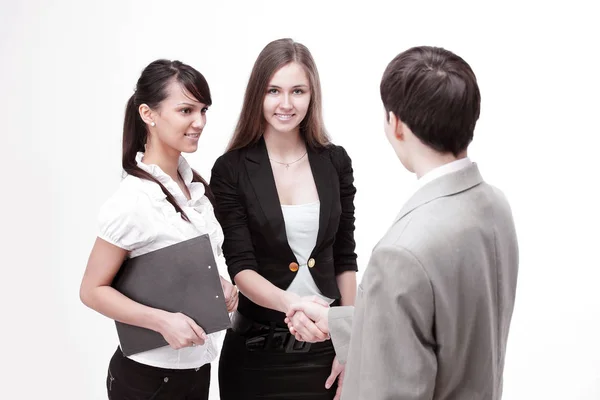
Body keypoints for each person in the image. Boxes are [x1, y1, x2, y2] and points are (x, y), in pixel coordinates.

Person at [286, 46, 519, 400]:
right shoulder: (494, 205)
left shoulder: (401, 254)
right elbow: (447, 326)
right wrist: (338, 322)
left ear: (395, 123)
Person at [79, 59, 238, 400]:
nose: (200, 122)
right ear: (148, 114)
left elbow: (176, 268)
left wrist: (220, 286)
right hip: (148, 380)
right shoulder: (133, 200)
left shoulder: (195, 187)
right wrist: (161, 321)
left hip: (196, 371)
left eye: (203, 110)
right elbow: (91, 290)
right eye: (186, 110)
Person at [210, 38, 358, 399]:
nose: (286, 104)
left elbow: (345, 257)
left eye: (298, 91)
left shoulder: (335, 162)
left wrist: (349, 339)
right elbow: (240, 268)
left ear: (312, 96)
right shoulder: (231, 169)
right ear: (257, 95)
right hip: (254, 357)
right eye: (274, 90)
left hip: (325, 353)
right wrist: (294, 306)